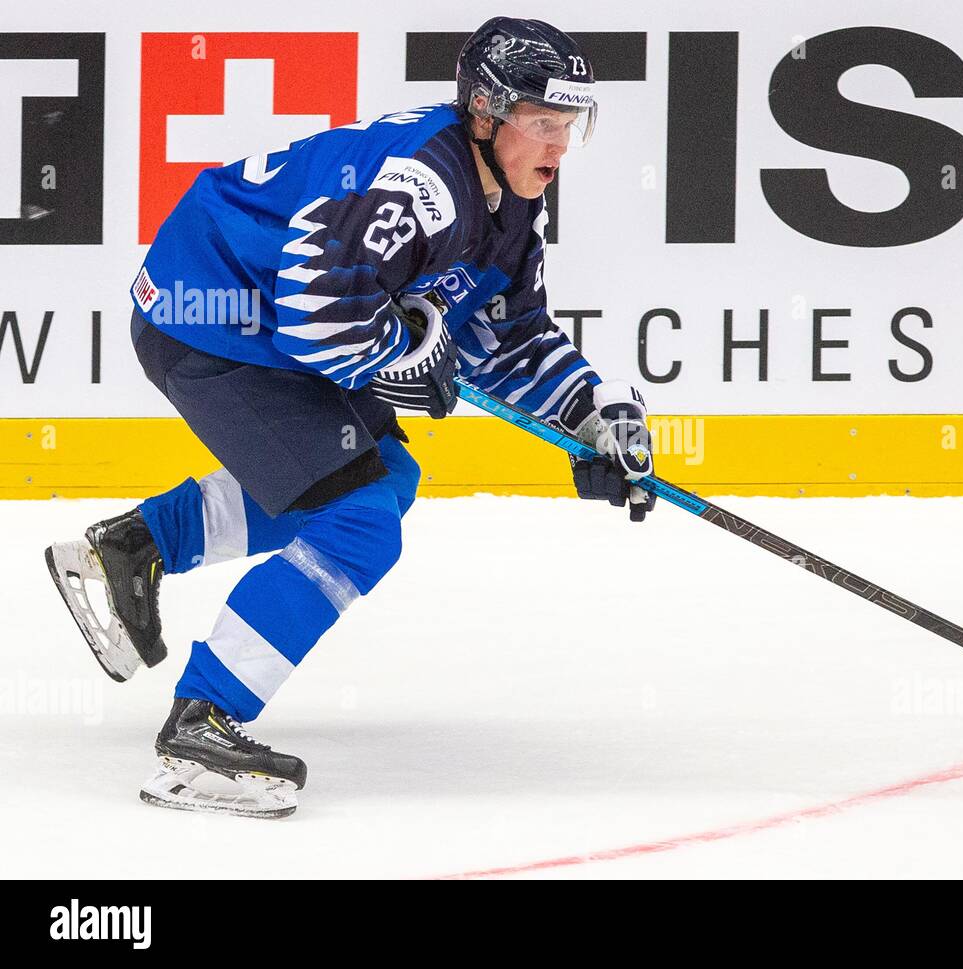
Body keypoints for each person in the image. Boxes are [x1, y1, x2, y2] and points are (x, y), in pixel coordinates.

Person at [44, 17, 655, 819]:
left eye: (568, 125)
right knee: (360, 520)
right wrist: (406, 357)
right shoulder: (420, 184)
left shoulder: (504, 203)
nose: (559, 144)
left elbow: (505, 335)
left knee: (387, 478)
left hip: (258, 329)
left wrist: (591, 411)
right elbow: (317, 312)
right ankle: (200, 729)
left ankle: (132, 548)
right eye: (543, 122)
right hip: (210, 316)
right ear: (485, 109)